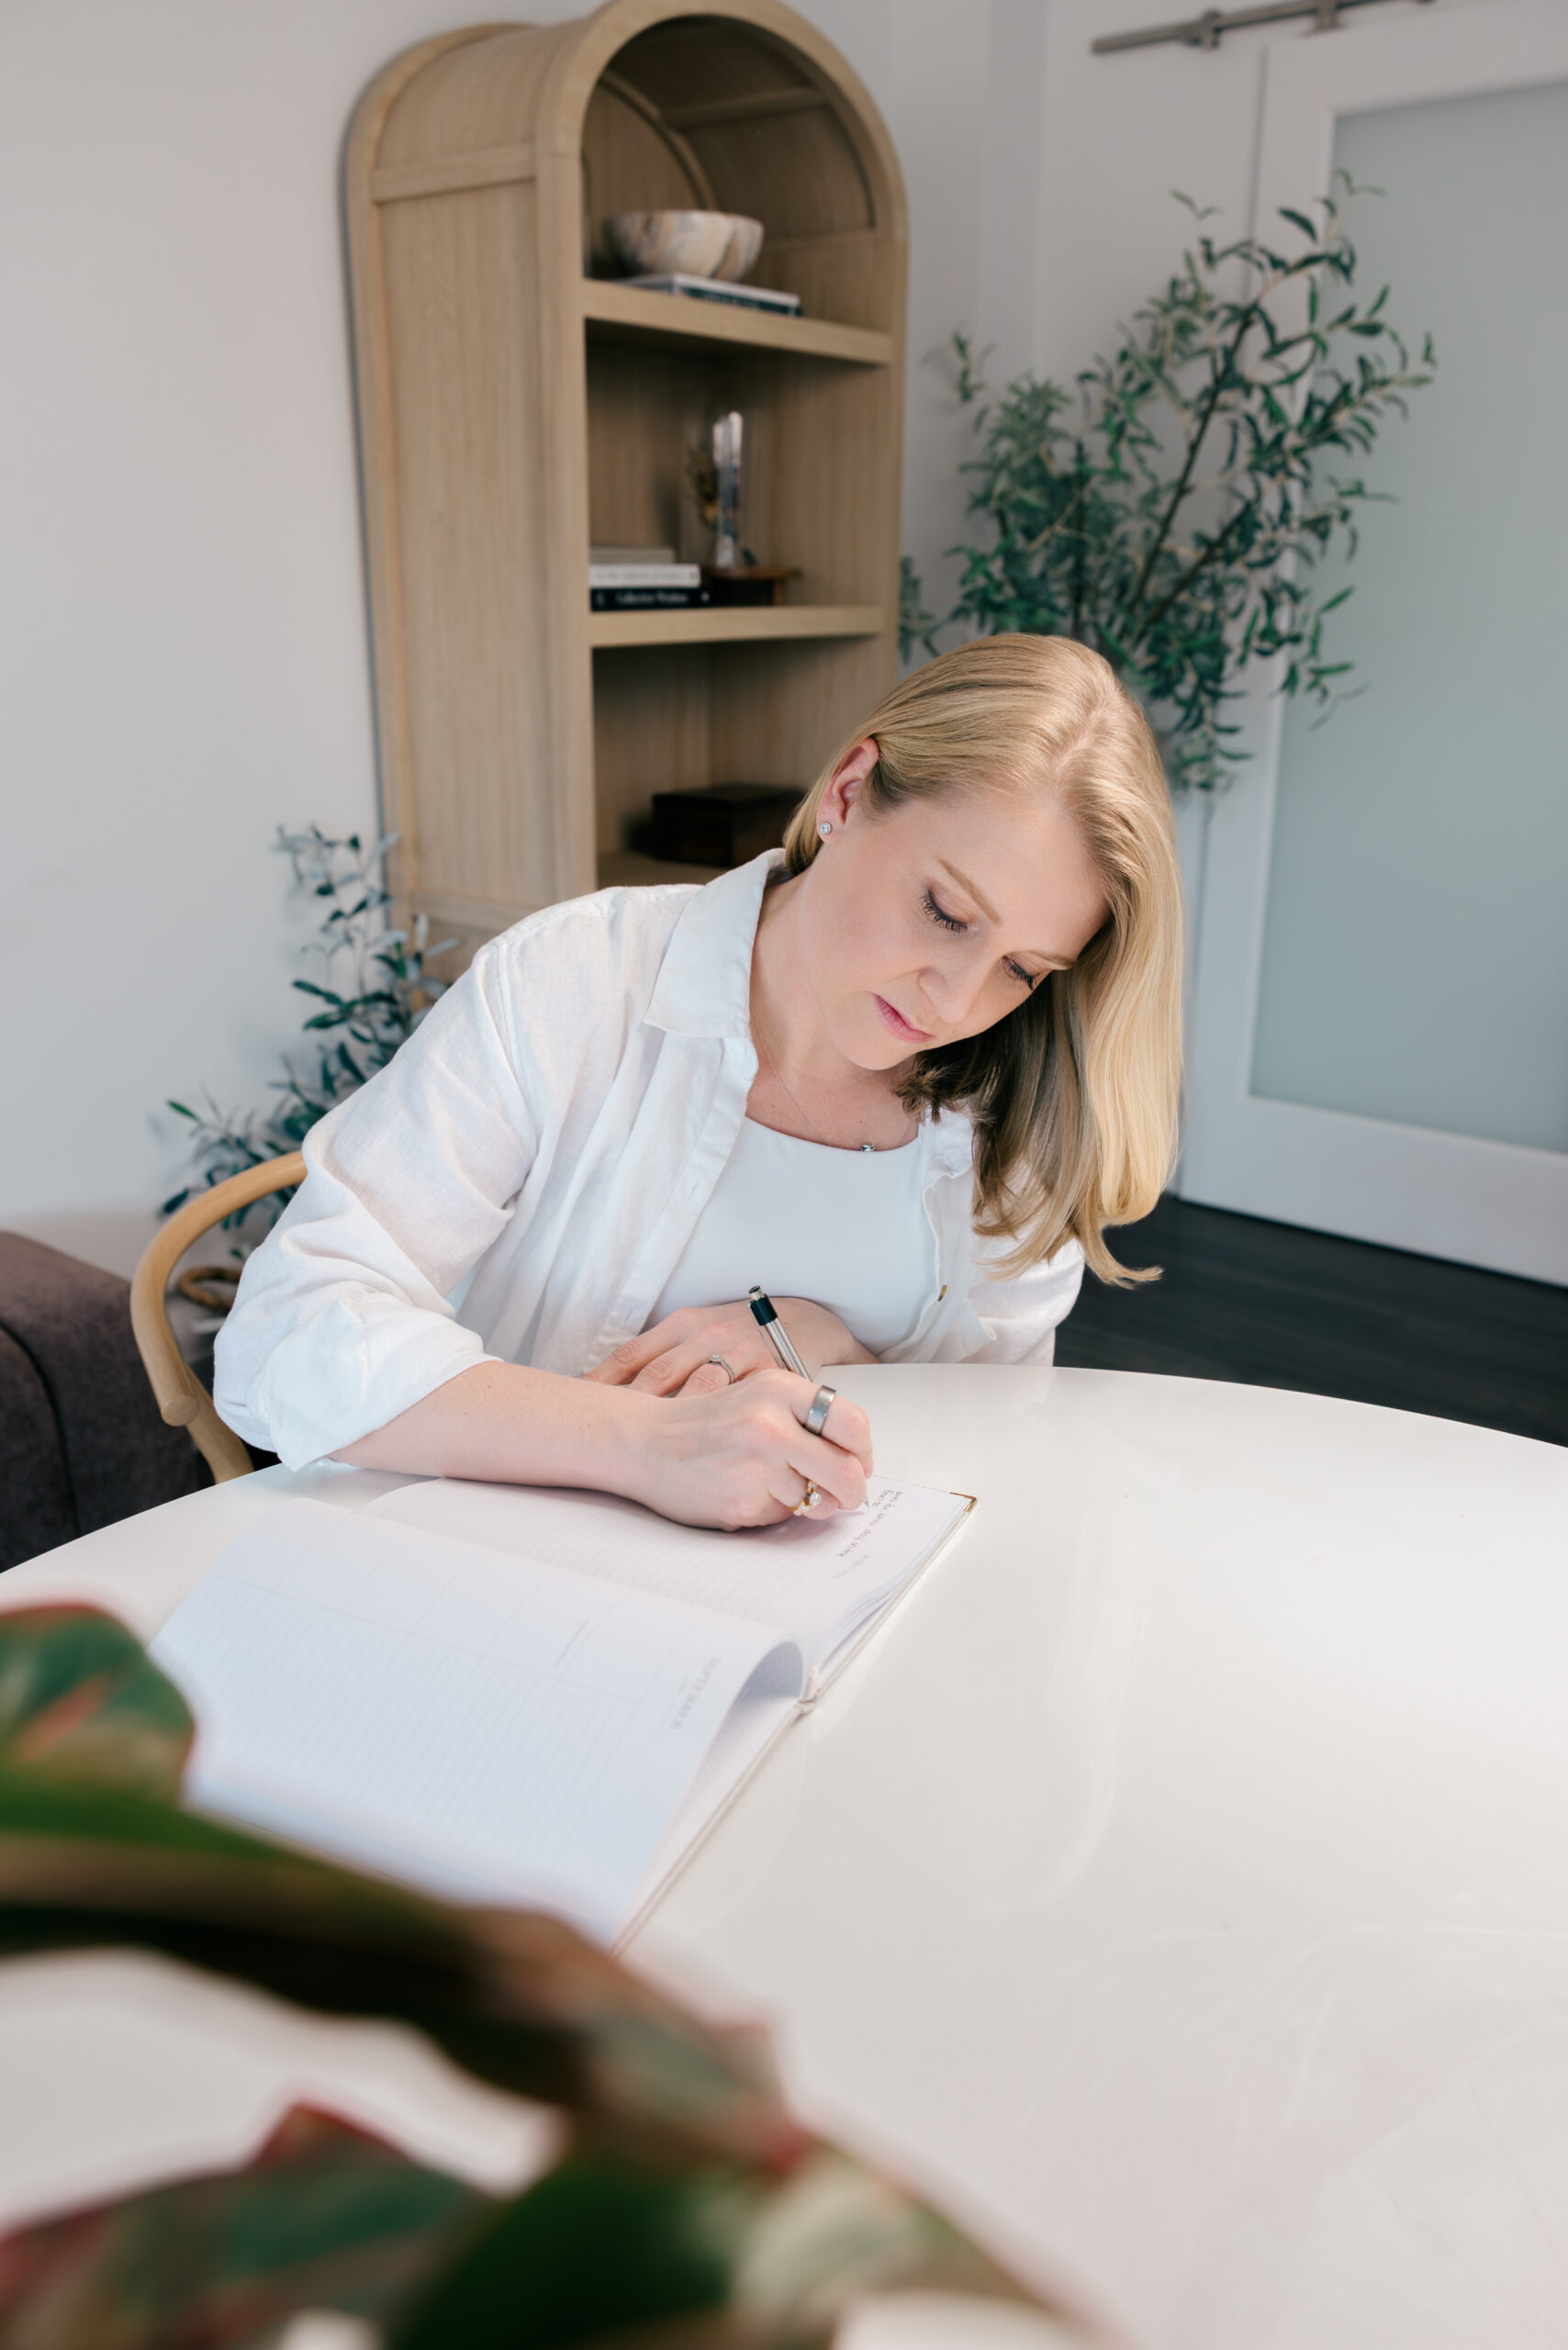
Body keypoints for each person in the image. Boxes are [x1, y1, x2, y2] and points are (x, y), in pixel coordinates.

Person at [215, 633, 1182, 1528]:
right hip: (489, 1566)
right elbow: (281, 1336)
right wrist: (644, 1445)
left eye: (1023, 969)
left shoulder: (1021, 1107)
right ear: (848, 791)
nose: (958, 999)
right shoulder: (574, 983)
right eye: (944, 911)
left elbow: (996, 1442)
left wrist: (833, 1342)